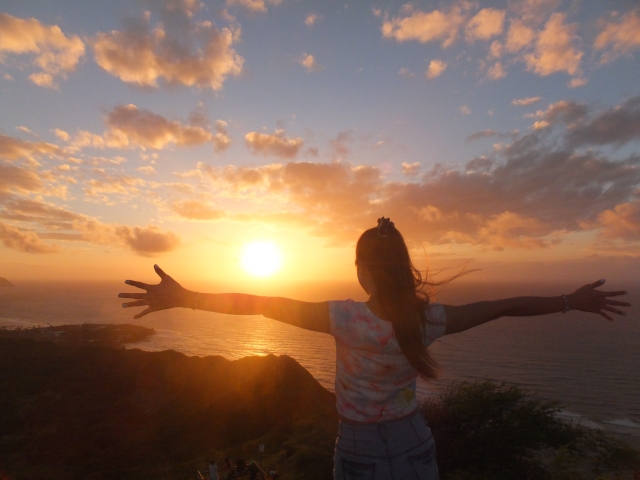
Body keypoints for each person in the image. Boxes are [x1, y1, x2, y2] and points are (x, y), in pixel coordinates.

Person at [119, 217, 630, 479]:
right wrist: (569, 301)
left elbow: (258, 304)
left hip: (360, 446)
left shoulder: (345, 318)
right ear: (402, 267)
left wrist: (185, 299)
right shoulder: (428, 320)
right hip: (414, 441)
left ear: (363, 271)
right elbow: (501, 306)